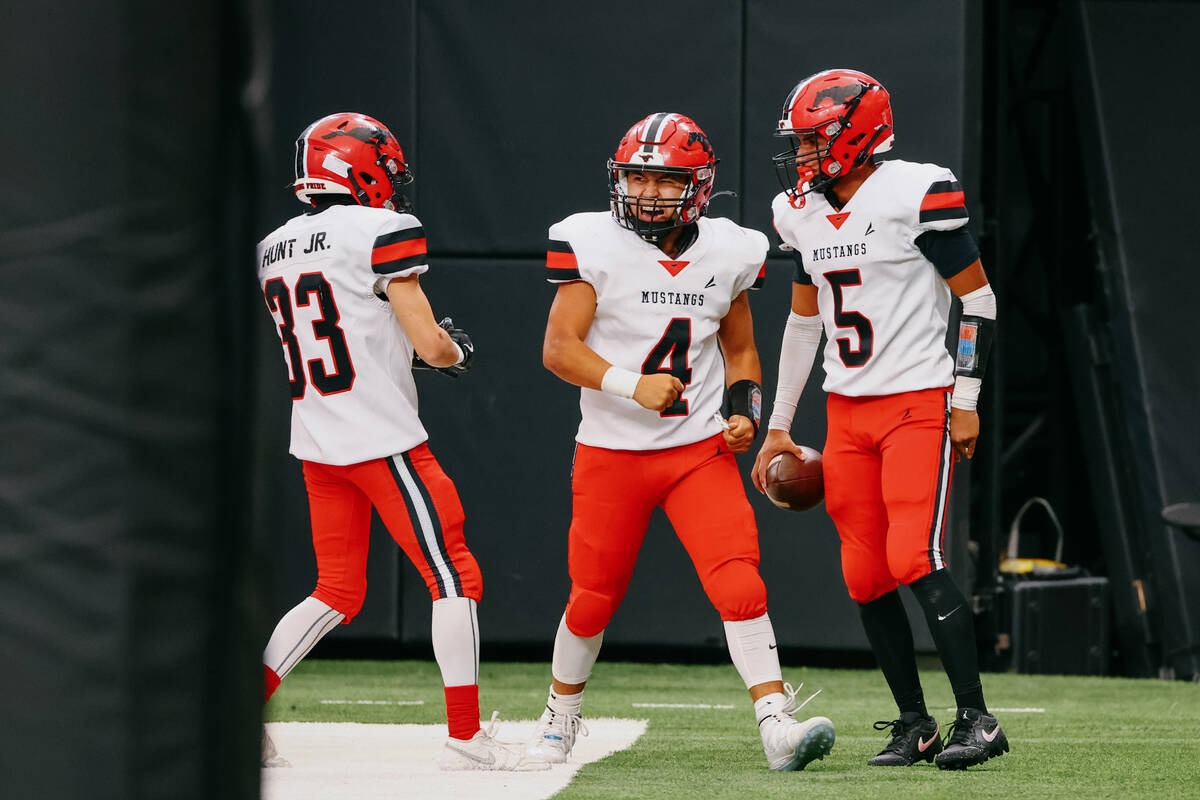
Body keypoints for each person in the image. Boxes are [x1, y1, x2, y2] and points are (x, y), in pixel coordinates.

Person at [525, 112, 835, 772]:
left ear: (696, 186)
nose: (646, 192)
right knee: (593, 595)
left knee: (738, 579)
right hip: (611, 450)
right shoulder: (591, 242)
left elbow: (741, 348)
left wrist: (744, 410)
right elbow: (558, 348)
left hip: (695, 452)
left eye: (663, 180)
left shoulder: (729, 249)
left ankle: (776, 722)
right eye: (635, 176)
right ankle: (560, 714)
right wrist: (628, 384)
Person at [256, 112, 543, 772]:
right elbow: (431, 344)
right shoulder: (380, 231)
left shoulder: (274, 245)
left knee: (334, 592)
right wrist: (452, 353)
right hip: (381, 438)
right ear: (356, 166)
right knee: (454, 576)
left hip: (319, 436)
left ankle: (244, 714)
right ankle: (466, 740)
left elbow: (347, 332)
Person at [752, 70, 1007, 770]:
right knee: (864, 574)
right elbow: (805, 324)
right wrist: (778, 423)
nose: (801, 154)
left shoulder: (914, 191)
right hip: (847, 412)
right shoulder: (798, 212)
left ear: (856, 133)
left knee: (913, 557)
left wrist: (965, 397)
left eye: (813, 140)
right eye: (799, 141)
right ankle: (915, 724)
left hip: (917, 402)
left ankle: (978, 720)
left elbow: (978, 301)